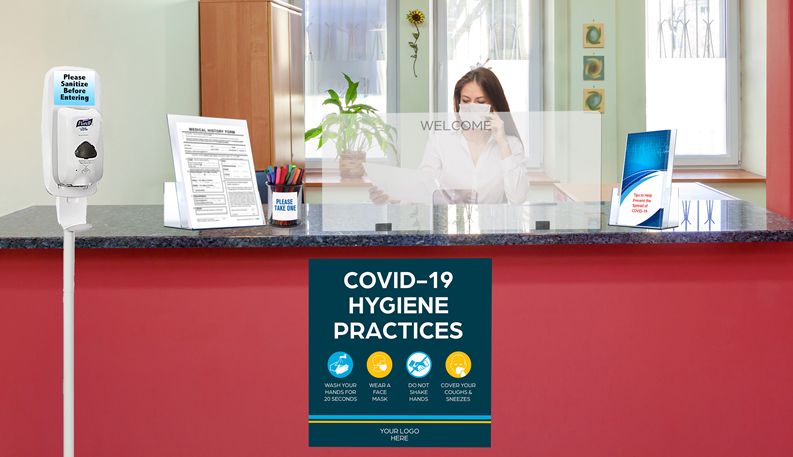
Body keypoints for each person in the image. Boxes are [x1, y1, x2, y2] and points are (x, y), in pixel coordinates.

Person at [370, 67, 529, 204]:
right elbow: (423, 186)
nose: (471, 108)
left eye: (480, 102)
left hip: (492, 227)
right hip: (451, 225)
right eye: (465, 101)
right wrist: (392, 196)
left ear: (494, 106)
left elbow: (518, 198)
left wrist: (502, 143)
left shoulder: (510, 145)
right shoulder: (441, 140)